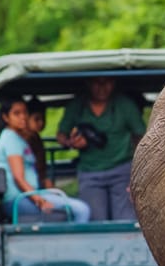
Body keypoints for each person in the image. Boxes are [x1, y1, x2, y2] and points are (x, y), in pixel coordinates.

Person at [56, 76, 146, 220]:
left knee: (125, 221)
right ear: (88, 83)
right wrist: (71, 142)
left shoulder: (125, 105)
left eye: (107, 82)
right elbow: (61, 135)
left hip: (122, 171)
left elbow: (142, 137)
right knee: (95, 222)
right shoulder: (77, 106)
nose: (102, 88)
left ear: (114, 83)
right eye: (97, 83)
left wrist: (138, 174)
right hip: (89, 172)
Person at [0, 97, 91, 223]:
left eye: (25, 112)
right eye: (16, 114)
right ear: (6, 117)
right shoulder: (11, 139)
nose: (22, 117)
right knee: (82, 210)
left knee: (72, 206)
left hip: (28, 196)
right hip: (19, 200)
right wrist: (39, 200)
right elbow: (18, 178)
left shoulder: (19, 139)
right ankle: (78, 237)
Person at [24, 96, 48, 182]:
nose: (41, 123)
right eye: (37, 119)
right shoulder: (23, 140)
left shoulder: (36, 138)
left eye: (43, 119)